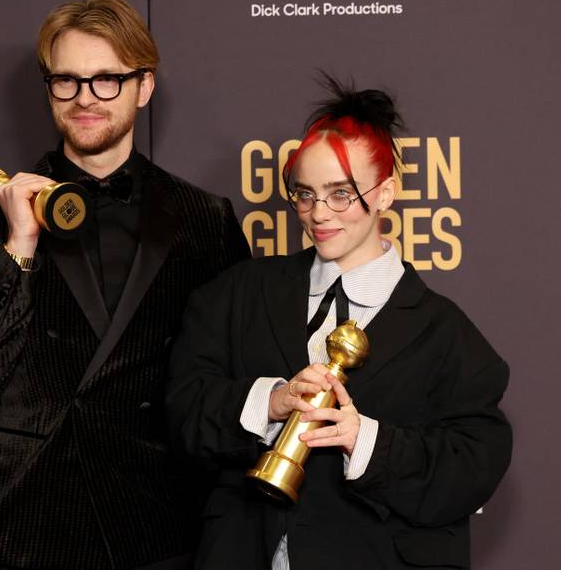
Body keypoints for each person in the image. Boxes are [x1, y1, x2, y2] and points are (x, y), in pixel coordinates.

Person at [0, 0, 250, 570]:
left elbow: (232, 382)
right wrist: (20, 242)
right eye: (68, 81)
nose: (85, 98)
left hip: (157, 525)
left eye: (107, 79)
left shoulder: (206, 219)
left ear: (144, 86)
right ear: (49, 87)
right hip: (22, 526)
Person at [166, 77, 512, 570]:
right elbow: (183, 413)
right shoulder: (236, 295)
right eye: (304, 194)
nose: (318, 214)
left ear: (386, 192)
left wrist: (363, 438)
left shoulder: (447, 334)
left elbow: (472, 467)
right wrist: (271, 401)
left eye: (341, 195)